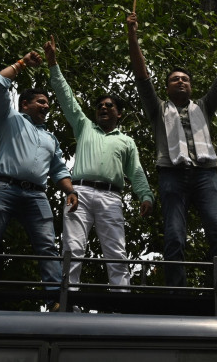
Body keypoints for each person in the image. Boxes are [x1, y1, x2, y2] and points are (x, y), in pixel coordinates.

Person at [127, 11, 217, 288]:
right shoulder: (158, 109)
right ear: (167, 88)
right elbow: (142, 75)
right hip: (172, 174)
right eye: (174, 79)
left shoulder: (203, 107)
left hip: (206, 174)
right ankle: (176, 292)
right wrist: (132, 36)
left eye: (185, 79)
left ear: (191, 86)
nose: (181, 81)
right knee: (174, 236)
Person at [0, 51, 78, 310]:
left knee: (48, 247)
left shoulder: (50, 138)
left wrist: (69, 190)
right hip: (4, 187)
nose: (46, 106)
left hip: (37, 195)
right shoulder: (8, 119)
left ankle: (54, 299)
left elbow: (59, 169)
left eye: (48, 103)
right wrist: (23, 63)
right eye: (40, 101)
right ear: (24, 104)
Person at [44, 36, 154, 292]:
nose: (103, 108)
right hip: (79, 193)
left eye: (109, 105)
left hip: (111, 197)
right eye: (100, 106)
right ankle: (68, 301)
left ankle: (120, 302)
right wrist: (53, 64)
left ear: (119, 113)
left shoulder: (125, 140)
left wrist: (145, 195)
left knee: (116, 251)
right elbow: (66, 97)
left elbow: (136, 171)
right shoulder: (84, 127)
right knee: (72, 248)